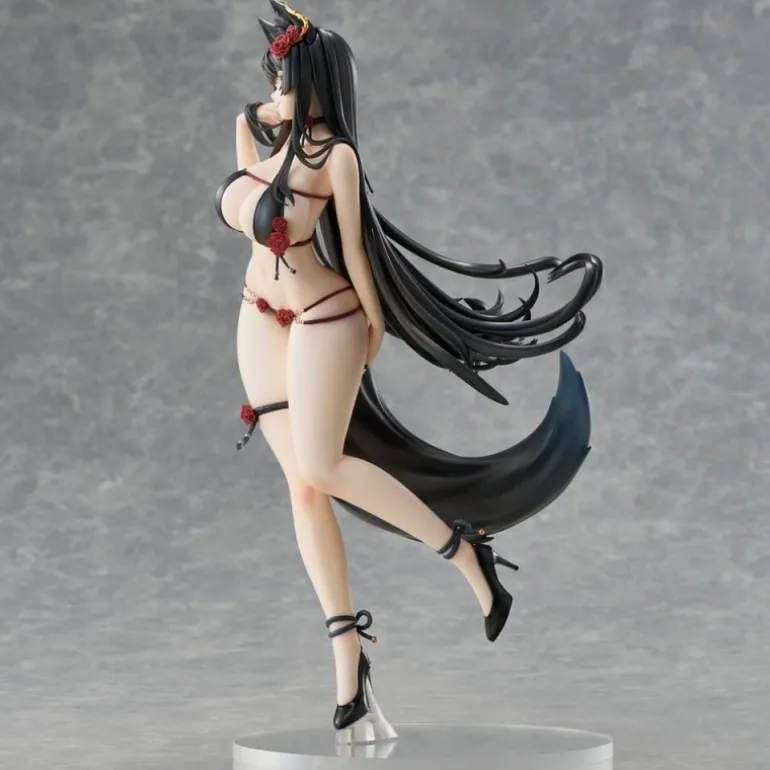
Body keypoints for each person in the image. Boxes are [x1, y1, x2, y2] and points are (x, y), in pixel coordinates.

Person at [213, 0, 603, 743]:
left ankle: (465, 553)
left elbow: (358, 252)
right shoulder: (254, 136)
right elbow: (249, 201)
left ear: (316, 81)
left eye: (285, 74)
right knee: (304, 489)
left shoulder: (337, 158)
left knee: (323, 467)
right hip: (256, 320)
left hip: (324, 316)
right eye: (271, 74)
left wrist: (374, 328)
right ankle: (350, 672)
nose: (273, 86)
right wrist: (262, 113)